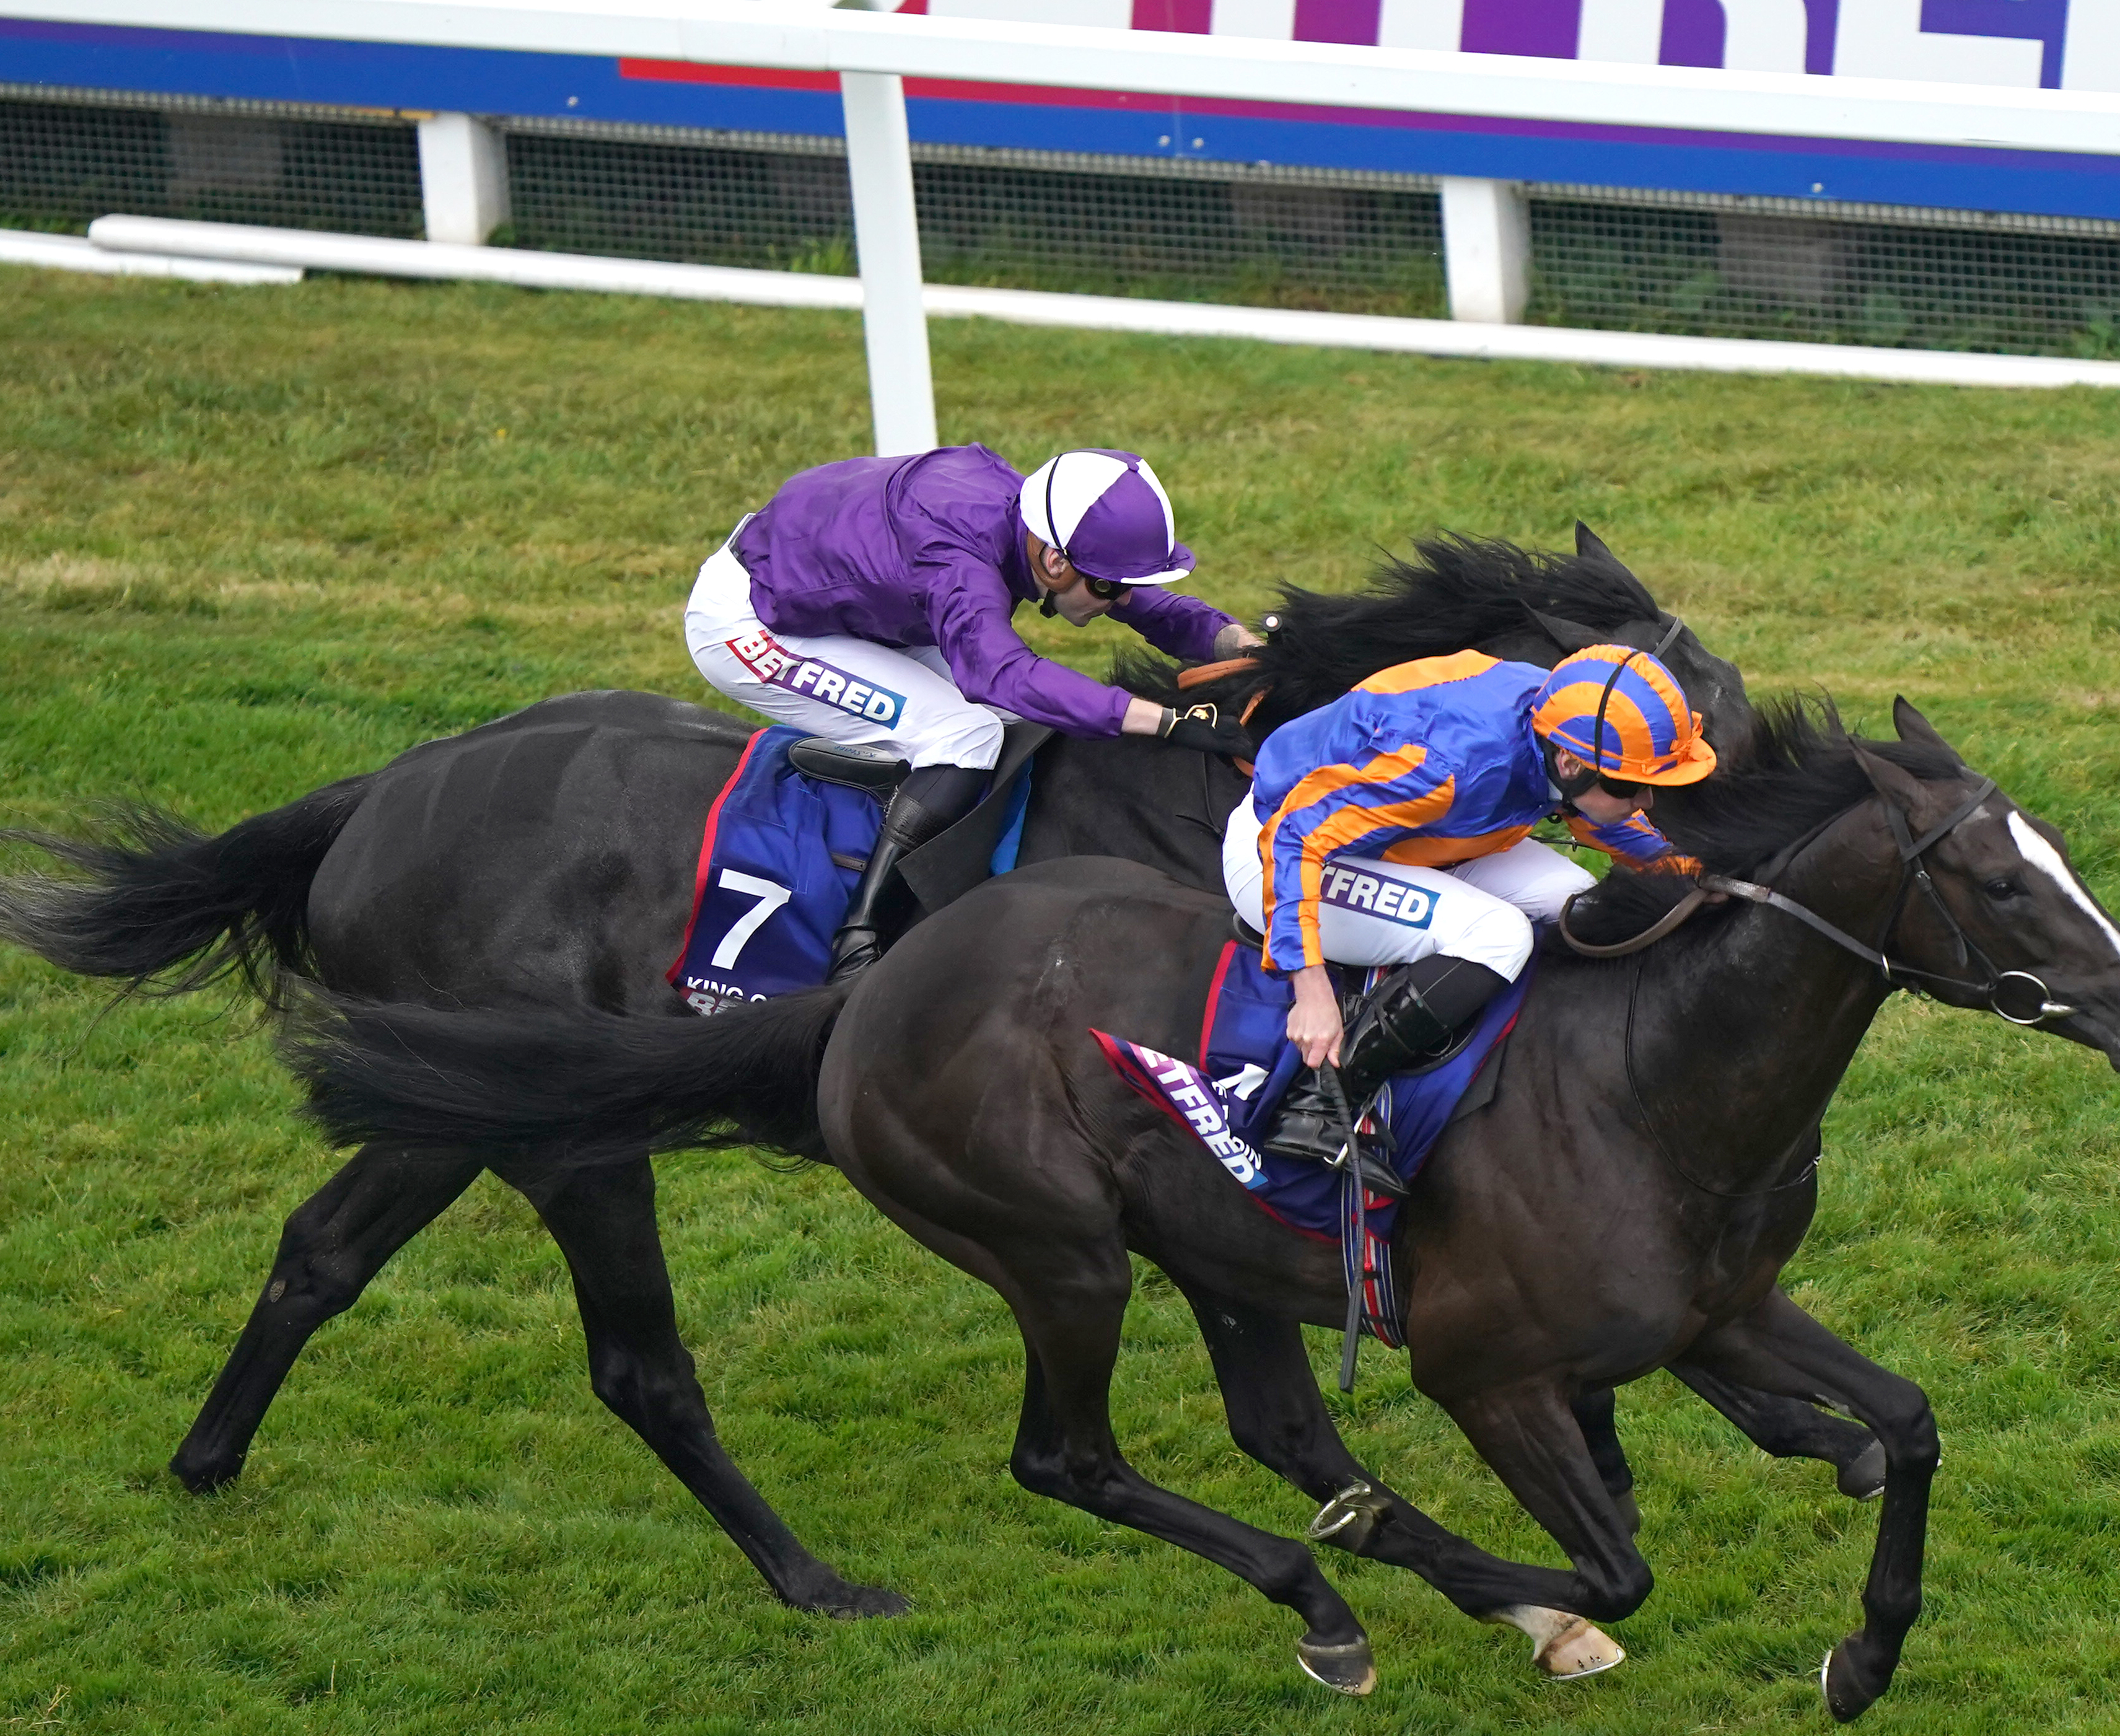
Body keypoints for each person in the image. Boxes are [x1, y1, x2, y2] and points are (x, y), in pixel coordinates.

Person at [688, 445, 1261, 980]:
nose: (1122, 600)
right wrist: (1165, 721)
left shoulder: (1035, 522)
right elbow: (1002, 674)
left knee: (1007, 726)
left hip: (849, 594)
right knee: (963, 736)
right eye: (1110, 588)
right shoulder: (959, 563)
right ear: (1055, 562)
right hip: (752, 620)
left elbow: (1147, 605)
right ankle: (860, 944)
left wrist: (1245, 645)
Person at [1225, 644, 1717, 1196]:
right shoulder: (1450, 765)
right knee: (1499, 934)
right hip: (1282, 854)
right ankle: (1321, 1101)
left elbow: (1599, 815)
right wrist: (1309, 985)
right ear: (1571, 763)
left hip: (1414, 836)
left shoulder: (1558, 723)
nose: (1646, 799)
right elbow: (1294, 835)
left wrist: (1697, 873)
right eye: (1630, 785)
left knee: (1578, 902)